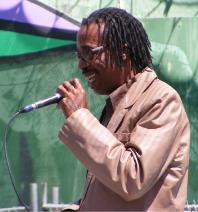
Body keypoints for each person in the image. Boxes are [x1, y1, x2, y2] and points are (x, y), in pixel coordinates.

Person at [57, 7, 190, 211]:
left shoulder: (162, 100)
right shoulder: (116, 104)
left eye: (89, 53)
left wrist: (80, 118)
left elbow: (132, 178)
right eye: (79, 55)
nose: (81, 65)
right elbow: (110, 192)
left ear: (123, 51)